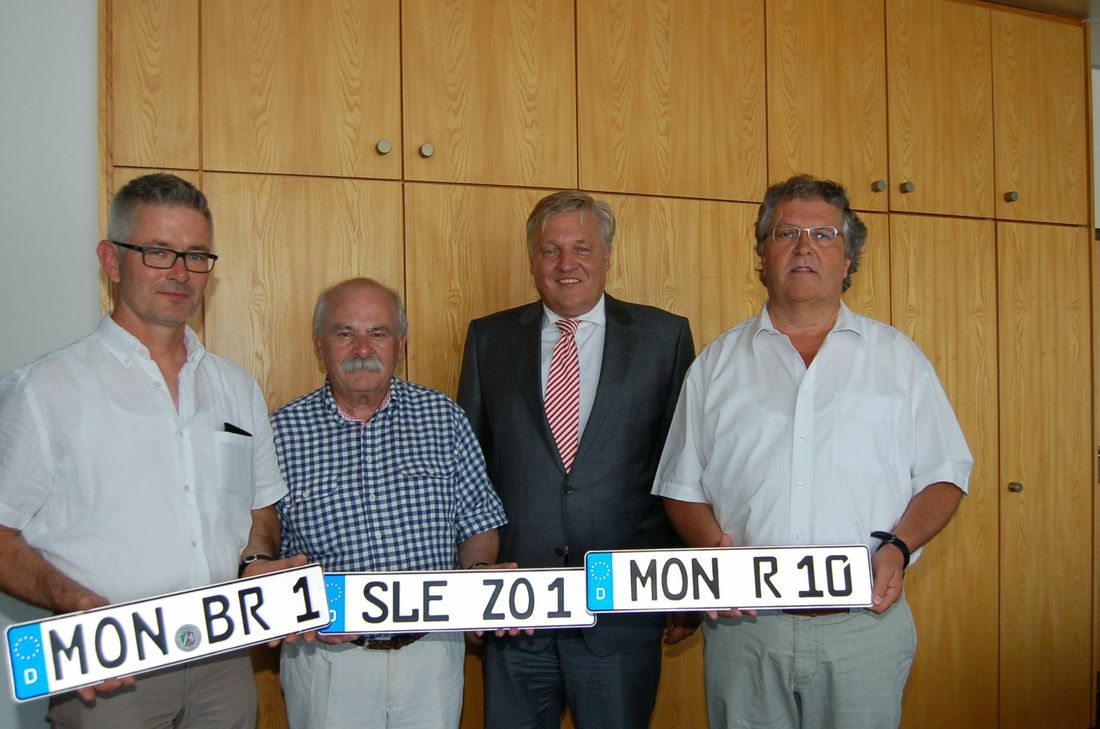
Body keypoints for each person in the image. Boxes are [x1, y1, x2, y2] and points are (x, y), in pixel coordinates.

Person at [652, 174, 973, 729]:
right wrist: (713, 552)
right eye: (787, 233)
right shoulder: (716, 365)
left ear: (848, 259)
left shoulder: (900, 360)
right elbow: (681, 488)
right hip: (747, 630)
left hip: (864, 628)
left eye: (824, 235)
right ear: (762, 254)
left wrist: (897, 547)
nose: (804, 248)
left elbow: (944, 476)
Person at [0, 172, 296, 727]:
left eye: (196, 255)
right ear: (112, 261)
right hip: (110, 671)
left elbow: (258, 509)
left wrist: (257, 562)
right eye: (158, 252)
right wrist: (71, 599)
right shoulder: (43, 389)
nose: (181, 273)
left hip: (224, 660)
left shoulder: (236, 386)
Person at [457, 190, 696, 729]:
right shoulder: (488, 339)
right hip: (515, 610)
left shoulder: (664, 337)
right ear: (532, 259)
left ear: (608, 255)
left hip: (623, 612)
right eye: (550, 250)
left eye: (582, 248)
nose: (567, 265)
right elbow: (470, 472)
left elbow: (683, 468)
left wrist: (686, 585)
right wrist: (470, 581)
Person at [273, 277, 507, 729]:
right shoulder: (281, 432)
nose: (363, 347)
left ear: (400, 343)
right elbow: (263, 546)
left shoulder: (443, 418)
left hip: (432, 654)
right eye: (345, 333)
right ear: (319, 344)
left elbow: (479, 522)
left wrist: (480, 580)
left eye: (378, 333)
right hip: (327, 660)